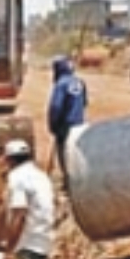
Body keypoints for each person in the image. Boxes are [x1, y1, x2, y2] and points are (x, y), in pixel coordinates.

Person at [47, 56, 88, 190]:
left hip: (65, 125)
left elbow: (56, 107)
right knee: (75, 152)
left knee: (64, 153)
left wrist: (53, 124)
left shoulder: (61, 84)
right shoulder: (80, 82)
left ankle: (69, 182)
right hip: (80, 124)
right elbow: (85, 103)